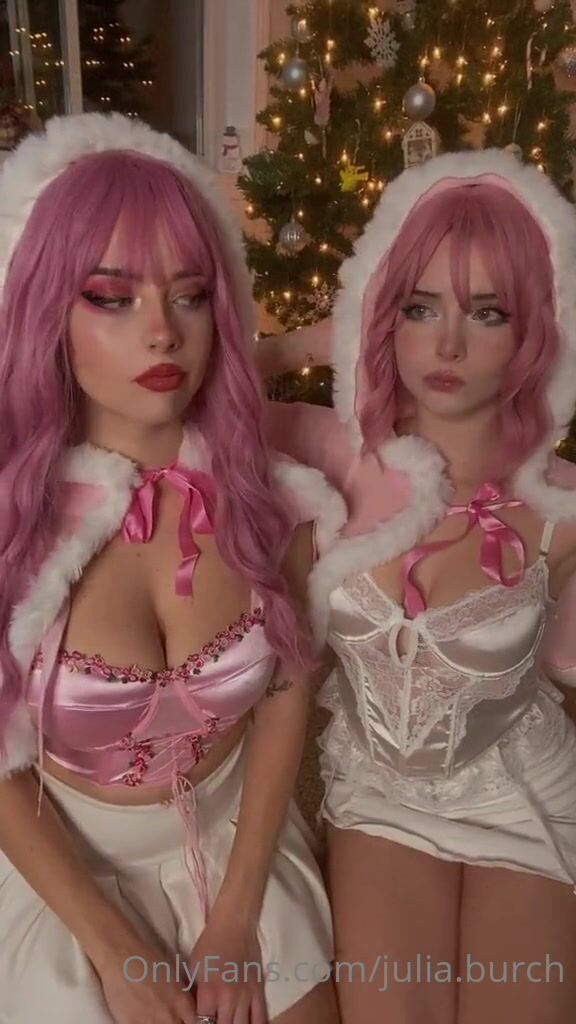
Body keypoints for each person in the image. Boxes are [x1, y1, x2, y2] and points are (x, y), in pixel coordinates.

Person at [0, 112, 346, 1024]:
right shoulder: (13, 522)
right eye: (110, 298)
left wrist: (235, 916)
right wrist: (115, 950)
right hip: (62, 876)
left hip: (240, 853)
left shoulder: (275, 497)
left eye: (189, 295)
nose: (162, 332)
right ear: (47, 313)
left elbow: (284, 699)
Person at [264, 149, 576, 1023]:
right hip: (381, 794)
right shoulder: (331, 453)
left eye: (488, 312)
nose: (446, 345)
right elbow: (196, 397)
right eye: (418, 306)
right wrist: (315, 338)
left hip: (523, 795)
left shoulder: (560, 505)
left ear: (535, 332)